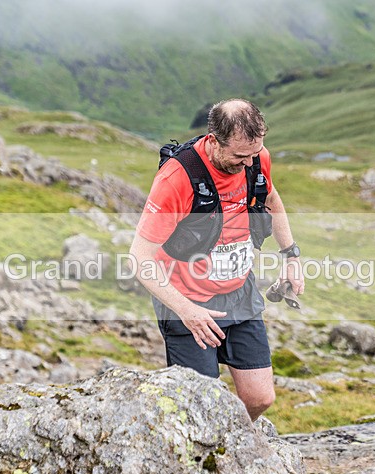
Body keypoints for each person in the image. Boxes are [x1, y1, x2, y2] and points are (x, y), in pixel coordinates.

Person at [130, 99, 304, 421]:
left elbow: (271, 196)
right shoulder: (176, 180)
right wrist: (186, 311)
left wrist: (290, 255)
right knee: (199, 407)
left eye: (254, 154)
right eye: (239, 157)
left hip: (239, 290)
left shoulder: (255, 158)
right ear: (213, 140)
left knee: (260, 397)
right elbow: (139, 258)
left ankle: (233, 445)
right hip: (187, 300)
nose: (249, 162)